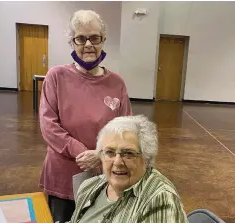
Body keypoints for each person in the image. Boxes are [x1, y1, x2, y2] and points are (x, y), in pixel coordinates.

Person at [39, 9, 132, 223]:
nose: (88, 44)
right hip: (63, 176)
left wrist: (99, 155)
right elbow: (48, 126)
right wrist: (82, 152)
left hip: (104, 174)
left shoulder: (117, 83)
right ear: (72, 42)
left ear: (103, 40)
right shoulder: (56, 77)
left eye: (95, 38)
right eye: (81, 38)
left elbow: (126, 130)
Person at [68, 115, 188, 223]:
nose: (118, 162)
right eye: (110, 152)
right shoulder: (88, 187)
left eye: (128, 153)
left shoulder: (160, 199)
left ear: (146, 158)